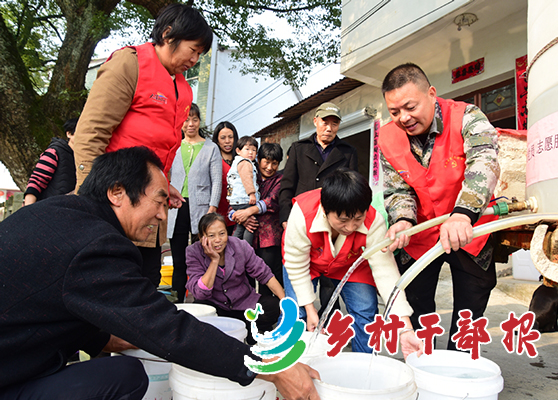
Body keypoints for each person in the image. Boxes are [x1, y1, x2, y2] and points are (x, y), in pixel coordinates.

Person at [0, 146, 320, 400]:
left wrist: (117, 336)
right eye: (159, 201)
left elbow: (53, 304)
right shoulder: (97, 244)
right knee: (124, 377)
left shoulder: (57, 215)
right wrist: (276, 370)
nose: (161, 214)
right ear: (117, 192)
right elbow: (169, 329)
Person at [70, 4, 212, 287]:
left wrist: (164, 185)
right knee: (104, 283)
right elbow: (90, 134)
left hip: (148, 208)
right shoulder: (130, 63)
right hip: (112, 201)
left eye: (200, 54)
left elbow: (162, 147)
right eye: (193, 50)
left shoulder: (183, 87)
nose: (195, 60)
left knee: (144, 281)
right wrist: (89, 198)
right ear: (169, 34)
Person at [380, 63, 500, 351]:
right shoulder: (386, 136)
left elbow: (485, 161)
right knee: (418, 308)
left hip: (469, 229)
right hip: (420, 233)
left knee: (469, 312)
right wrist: (402, 219)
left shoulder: (468, 117)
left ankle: (458, 370)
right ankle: (425, 367)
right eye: (394, 112)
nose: (403, 118)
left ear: (431, 94)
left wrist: (463, 213)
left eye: (410, 107)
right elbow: (397, 188)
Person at [282, 169, 423, 357]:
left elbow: (386, 273)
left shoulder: (374, 221)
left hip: (349, 263)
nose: (350, 227)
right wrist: (310, 308)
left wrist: (405, 328)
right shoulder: (302, 213)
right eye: (342, 220)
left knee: (366, 311)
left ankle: (362, 366)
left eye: (358, 219)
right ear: (325, 210)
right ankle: (290, 368)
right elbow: (296, 264)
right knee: (295, 314)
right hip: (305, 264)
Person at [279, 101, 359, 320]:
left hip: (334, 227)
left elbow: (354, 191)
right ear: (315, 121)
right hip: (303, 224)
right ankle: (296, 331)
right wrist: (286, 219)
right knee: (299, 282)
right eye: (325, 122)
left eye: (335, 123)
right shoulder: (299, 148)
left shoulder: (347, 152)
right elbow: (286, 186)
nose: (329, 128)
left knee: (331, 283)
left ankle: (330, 327)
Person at [186, 213, 285, 343]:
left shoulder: (240, 246)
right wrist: (214, 260)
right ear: (202, 238)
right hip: (216, 306)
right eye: (211, 235)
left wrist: (285, 303)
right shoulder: (193, 252)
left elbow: (265, 275)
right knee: (199, 309)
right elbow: (201, 293)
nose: (218, 239)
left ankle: (248, 328)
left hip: (244, 305)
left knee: (272, 306)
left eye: (222, 233)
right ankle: (236, 332)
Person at [167, 103, 222, 303]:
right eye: (186, 119)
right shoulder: (173, 145)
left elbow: (216, 181)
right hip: (177, 208)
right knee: (179, 260)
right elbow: (166, 175)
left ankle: (203, 301)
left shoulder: (211, 148)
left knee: (203, 258)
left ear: (200, 121)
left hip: (201, 209)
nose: (190, 124)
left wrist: (212, 209)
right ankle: (177, 303)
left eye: (195, 119)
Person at [232, 143, 285, 295]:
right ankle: (249, 312)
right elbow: (234, 201)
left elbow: (272, 201)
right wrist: (240, 217)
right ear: (258, 159)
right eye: (266, 162)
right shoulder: (248, 175)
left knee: (267, 278)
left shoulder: (280, 180)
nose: (270, 167)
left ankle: (268, 313)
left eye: (274, 163)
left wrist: (248, 211)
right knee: (245, 276)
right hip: (246, 234)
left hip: (269, 239)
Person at [23, 117, 78, 205]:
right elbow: (37, 181)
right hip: (48, 210)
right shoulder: (54, 152)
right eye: (80, 133)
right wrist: (27, 210)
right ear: (69, 134)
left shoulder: (87, 159)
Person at [226, 136, 260, 244]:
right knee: (251, 224)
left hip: (235, 201)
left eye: (254, 150)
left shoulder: (235, 163)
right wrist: (252, 194)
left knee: (241, 225)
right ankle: (246, 247)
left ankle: (235, 245)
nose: (251, 152)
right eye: (247, 149)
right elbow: (247, 179)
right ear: (238, 151)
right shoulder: (245, 162)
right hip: (244, 199)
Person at [213, 121, 238, 234]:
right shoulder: (213, 160)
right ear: (217, 140)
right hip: (217, 213)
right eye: (223, 138)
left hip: (237, 215)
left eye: (230, 137)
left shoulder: (241, 160)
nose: (227, 141)